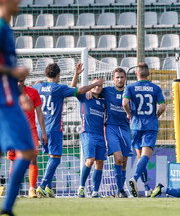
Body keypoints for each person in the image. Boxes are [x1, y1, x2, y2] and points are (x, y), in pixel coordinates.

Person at [34, 63, 103, 198]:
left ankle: (48, 187)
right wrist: (95, 84)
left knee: (50, 157)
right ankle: (42, 186)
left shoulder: (38, 86)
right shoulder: (58, 88)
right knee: (55, 159)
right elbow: (79, 90)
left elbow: (36, 84)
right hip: (53, 128)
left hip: (39, 128)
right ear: (59, 75)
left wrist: (77, 75)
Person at [0, 0, 35, 216]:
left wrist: (20, 91)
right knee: (26, 150)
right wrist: (14, 71)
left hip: (10, 97)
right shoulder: (1, 28)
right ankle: (6, 211)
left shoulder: (7, 29)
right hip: (4, 101)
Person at [123, 63, 165, 197]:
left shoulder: (130, 87)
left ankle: (147, 188)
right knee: (145, 157)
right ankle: (134, 178)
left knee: (140, 157)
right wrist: (156, 115)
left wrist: (129, 113)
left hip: (135, 125)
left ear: (136, 74)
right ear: (149, 74)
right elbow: (163, 107)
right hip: (150, 126)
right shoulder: (155, 88)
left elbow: (124, 103)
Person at [6, 77, 47, 198]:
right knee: (14, 160)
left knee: (33, 158)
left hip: (31, 131)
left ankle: (32, 189)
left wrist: (43, 131)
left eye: (21, 81)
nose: (19, 83)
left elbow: (39, 113)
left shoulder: (33, 92)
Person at [70, 63, 106, 198]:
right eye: (95, 84)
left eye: (99, 85)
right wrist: (76, 75)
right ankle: (81, 188)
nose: (97, 87)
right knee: (90, 160)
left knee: (99, 163)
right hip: (88, 133)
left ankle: (95, 191)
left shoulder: (104, 102)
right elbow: (72, 89)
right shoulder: (85, 96)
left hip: (100, 135)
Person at [102, 68, 132, 198]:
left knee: (124, 161)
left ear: (125, 78)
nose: (119, 79)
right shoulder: (107, 91)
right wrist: (89, 93)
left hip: (125, 128)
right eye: (117, 77)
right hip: (111, 128)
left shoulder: (129, 91)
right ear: (113, 79)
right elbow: (95, 91)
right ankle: (120, 190)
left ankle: (121, 189)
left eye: (122, 77)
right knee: (118, 158)